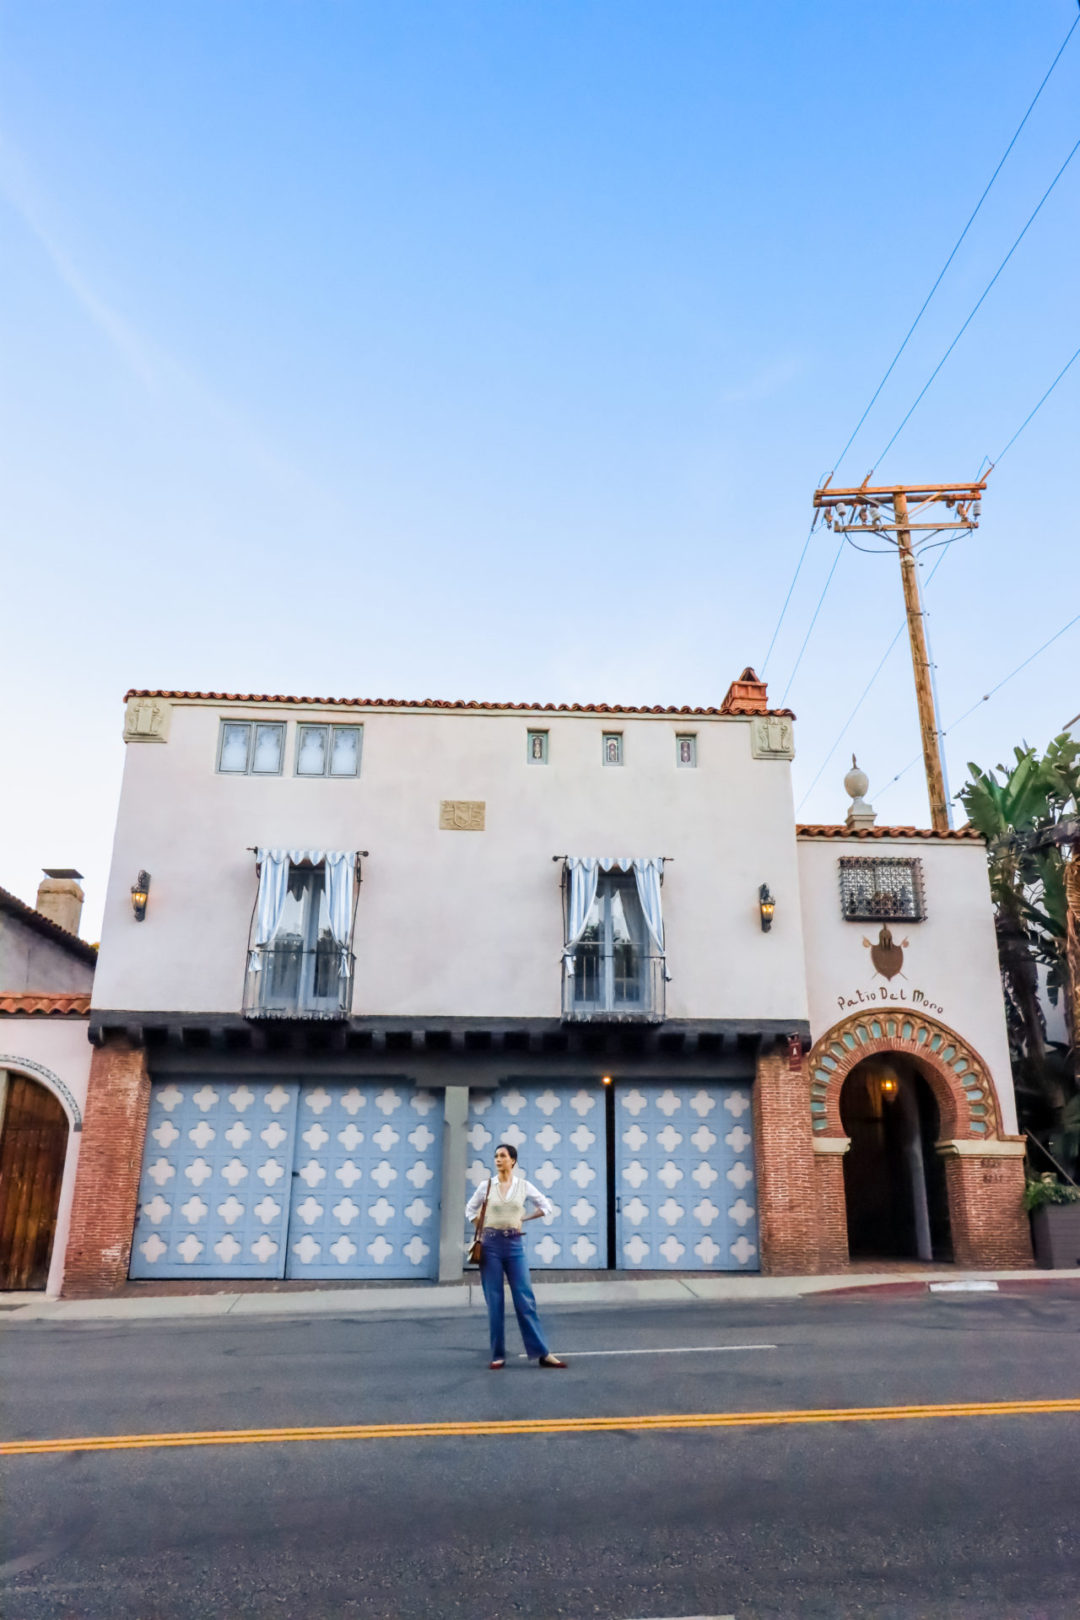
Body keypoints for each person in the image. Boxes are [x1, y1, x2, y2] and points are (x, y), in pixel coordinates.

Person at [465, 1143, 568, 1371]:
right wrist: (482, 1227)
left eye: (502, 1156)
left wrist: (524, 1219)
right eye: (496, 1156)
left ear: (513, 1160)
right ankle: (498, 1355)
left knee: (525, 1299)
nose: (498, 1159)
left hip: (514, 1245)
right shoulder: (487, 1186)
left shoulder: (524, 1185)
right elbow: (470, 1210)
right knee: (495, 1301)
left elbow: (546, 1206)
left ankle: (542, 1353)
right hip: (490, 1246)